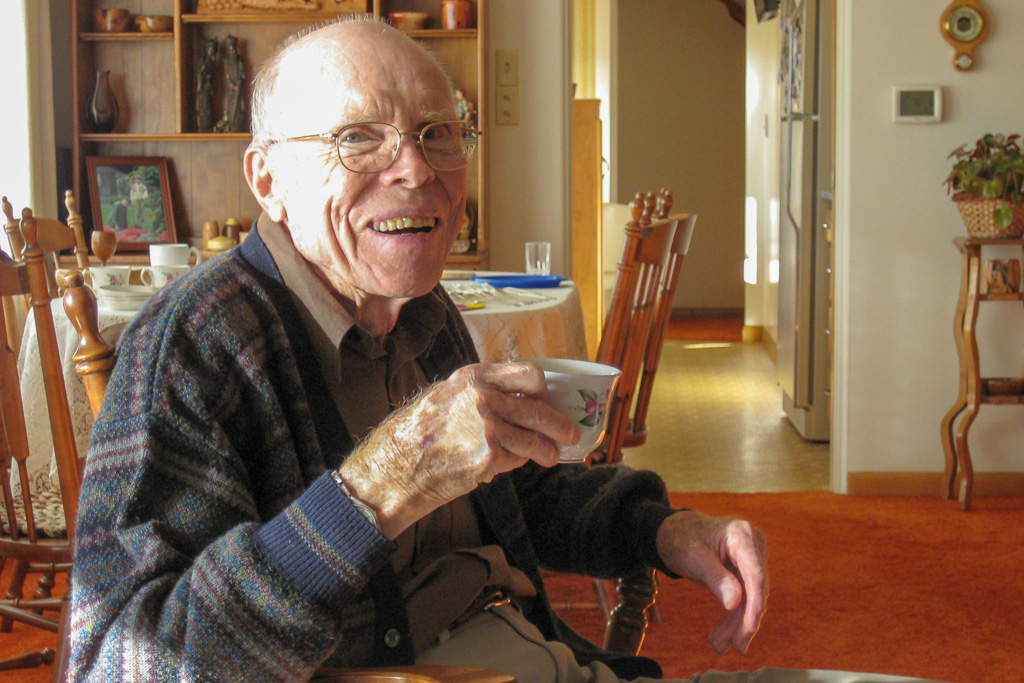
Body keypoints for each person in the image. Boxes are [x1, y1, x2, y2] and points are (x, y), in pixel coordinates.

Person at [68, 17, 944, 683]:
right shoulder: (196, 345)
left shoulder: (421, 310)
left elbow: (518, 494)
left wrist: (662, 529)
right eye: (356, 137)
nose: (414, 168)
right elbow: (118, 658)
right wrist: (377, 489)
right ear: (268, 179)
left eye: (438, 132)